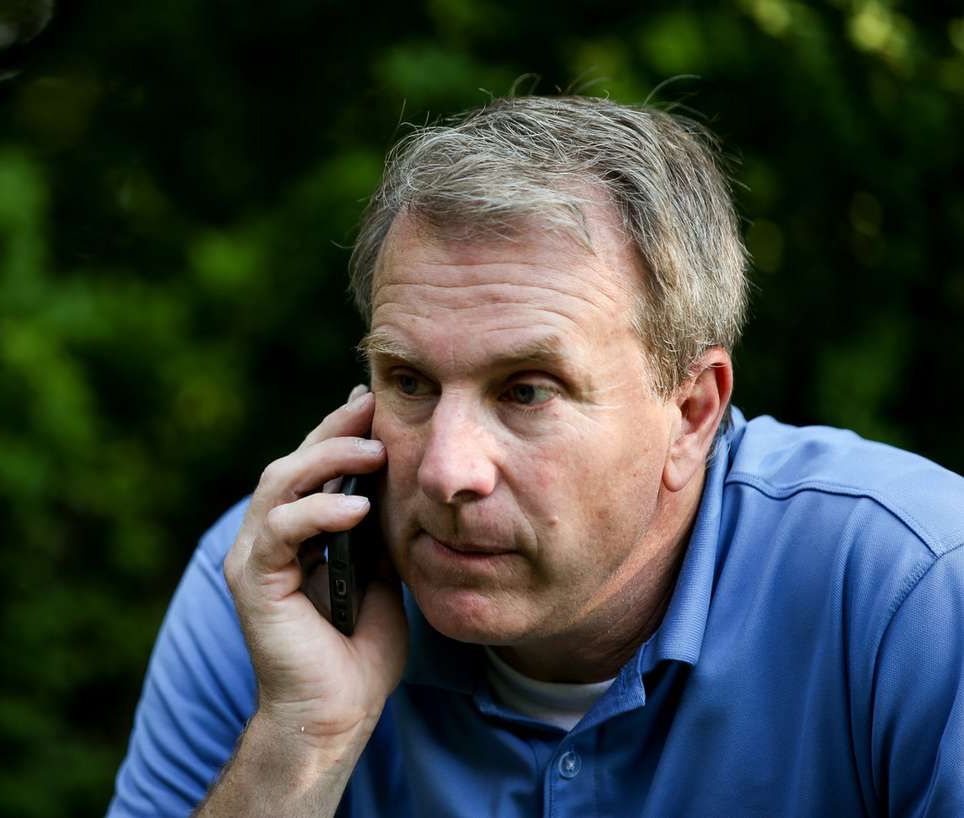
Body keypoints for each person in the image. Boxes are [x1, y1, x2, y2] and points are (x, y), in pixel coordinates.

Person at [106, 95, 964, 817]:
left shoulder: (912, 591)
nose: (446, 471)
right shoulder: (273, 588)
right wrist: (302, 735)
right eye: (408, 381)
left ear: (692, 412)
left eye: (527, 391)